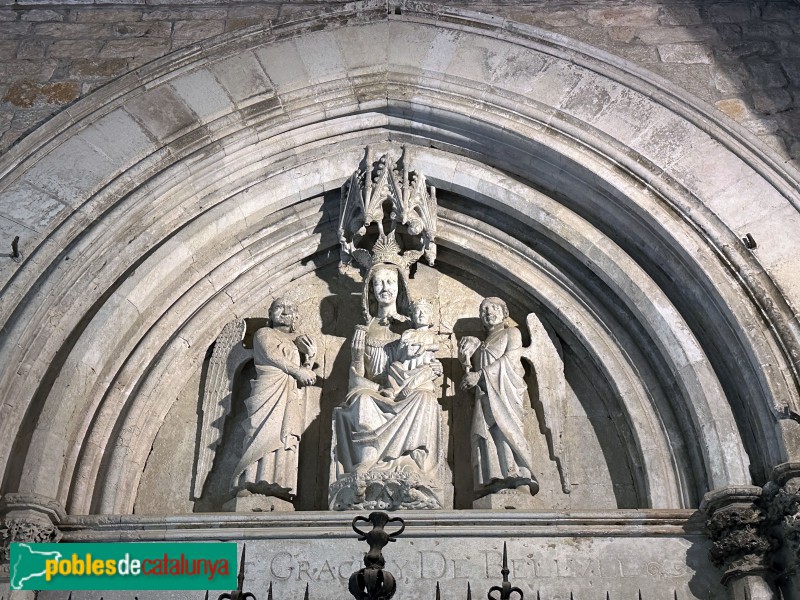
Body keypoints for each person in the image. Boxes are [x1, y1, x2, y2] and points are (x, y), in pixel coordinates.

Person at [333, 263, 441, 476]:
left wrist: (434, 367)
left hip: (407, 390)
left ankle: (411, 461)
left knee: (425, 398)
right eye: (378, 282)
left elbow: (426, 359)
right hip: (374, 392)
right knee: (362, 399)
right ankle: (368, 458)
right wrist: (356, 357)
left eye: (390, 281)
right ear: (370, 289)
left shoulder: (413, 329)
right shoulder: (363, 331)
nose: (385, 287)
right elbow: (355, 379)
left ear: (400, 287)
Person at [231, 297, 316, 500]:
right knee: (260, 432)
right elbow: (271, 355)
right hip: (268, 390)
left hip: (289, 394)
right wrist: (298, 370)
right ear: (270, 314)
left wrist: (310, 358)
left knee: (284, 436)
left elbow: (303, 377)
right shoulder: (264, 333)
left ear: (296, 316)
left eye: (290, 308)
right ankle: (247, 481)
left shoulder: (297, 342)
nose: (285, 311)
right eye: (279, 307)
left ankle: (278, 485)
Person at [459, 297, 538, 497]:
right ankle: (493, 480)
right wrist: (466, 361)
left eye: (494, 308)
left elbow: (510, 359)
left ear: (504, 314)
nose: (489, 312)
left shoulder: (512, 333)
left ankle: (518, 477)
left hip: (506, 393)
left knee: (506, 430)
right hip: (485, 395)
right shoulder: (481, 344)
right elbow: (473, 372)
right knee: (487, 434)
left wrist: (480, 375)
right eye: (484, 310)